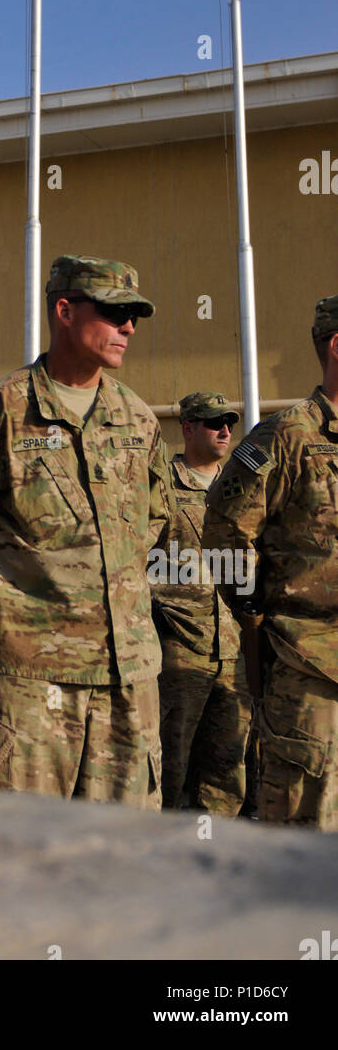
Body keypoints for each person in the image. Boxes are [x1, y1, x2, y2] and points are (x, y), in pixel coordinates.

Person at [0, 253, 174, 806]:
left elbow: (155, 516)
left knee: (121, 862)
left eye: (135, 317)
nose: (128, 327)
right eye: (115, 312)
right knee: (13, 855)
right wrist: (1, 586)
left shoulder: (138, 419)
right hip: (25, 684)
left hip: (128, 681)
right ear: (65, 310)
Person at [203, 295, 338, 831]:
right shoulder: (285, 437)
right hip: (311, 673)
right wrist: (255, 610)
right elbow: (224, 529)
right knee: (305, 839)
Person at [151, 392, 251, 814]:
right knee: (167, 765)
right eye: (214, 422)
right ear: (188, 428)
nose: (225, 430)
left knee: (227, 765)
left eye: (229, 421)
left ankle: (213, 851)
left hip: (233, 647)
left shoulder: (240, 487)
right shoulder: (160, 487)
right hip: (177, 649)